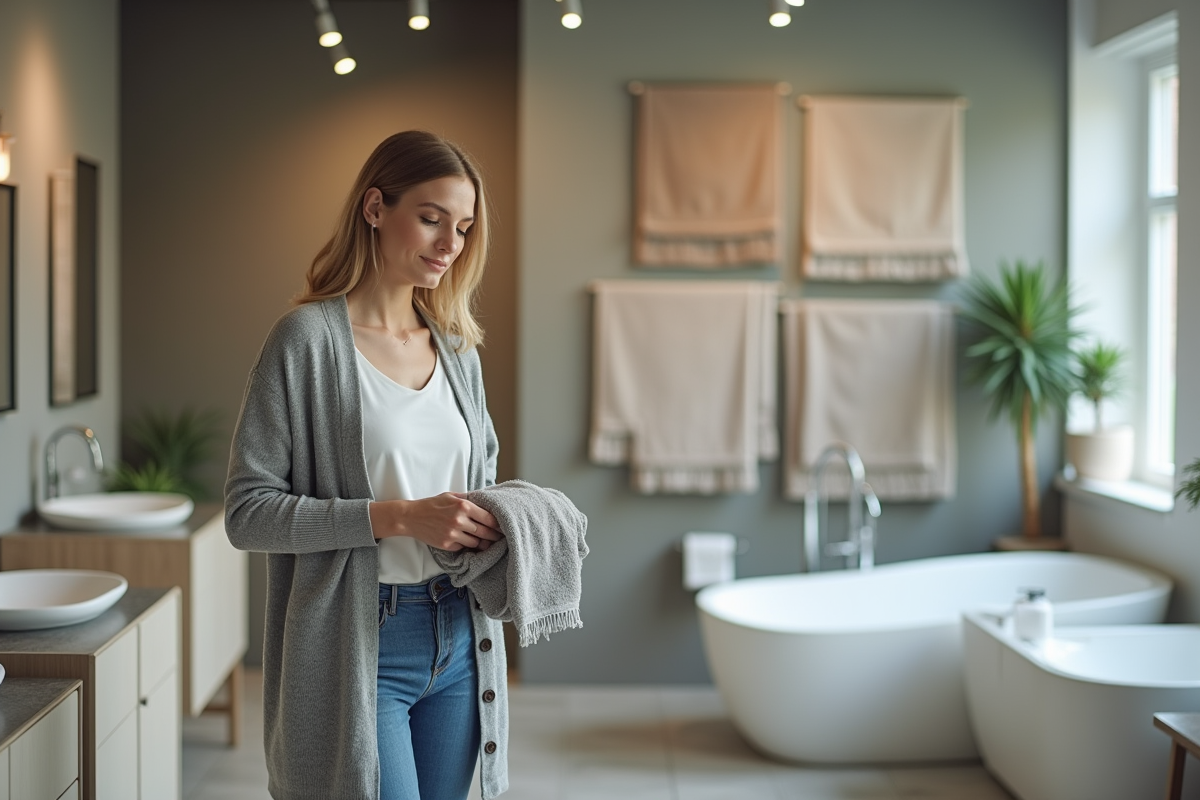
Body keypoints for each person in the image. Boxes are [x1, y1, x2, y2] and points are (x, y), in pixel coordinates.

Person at [224, 130, 510, 800]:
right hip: (359, 643)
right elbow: (246, 514)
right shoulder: (305, 342)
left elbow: (483, 483)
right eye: (432, 219)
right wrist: (401, 518)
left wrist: (503, 520)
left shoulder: (458, 351)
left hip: (461, 634)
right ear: (376, 208)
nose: (450, 246)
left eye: (464, 228)